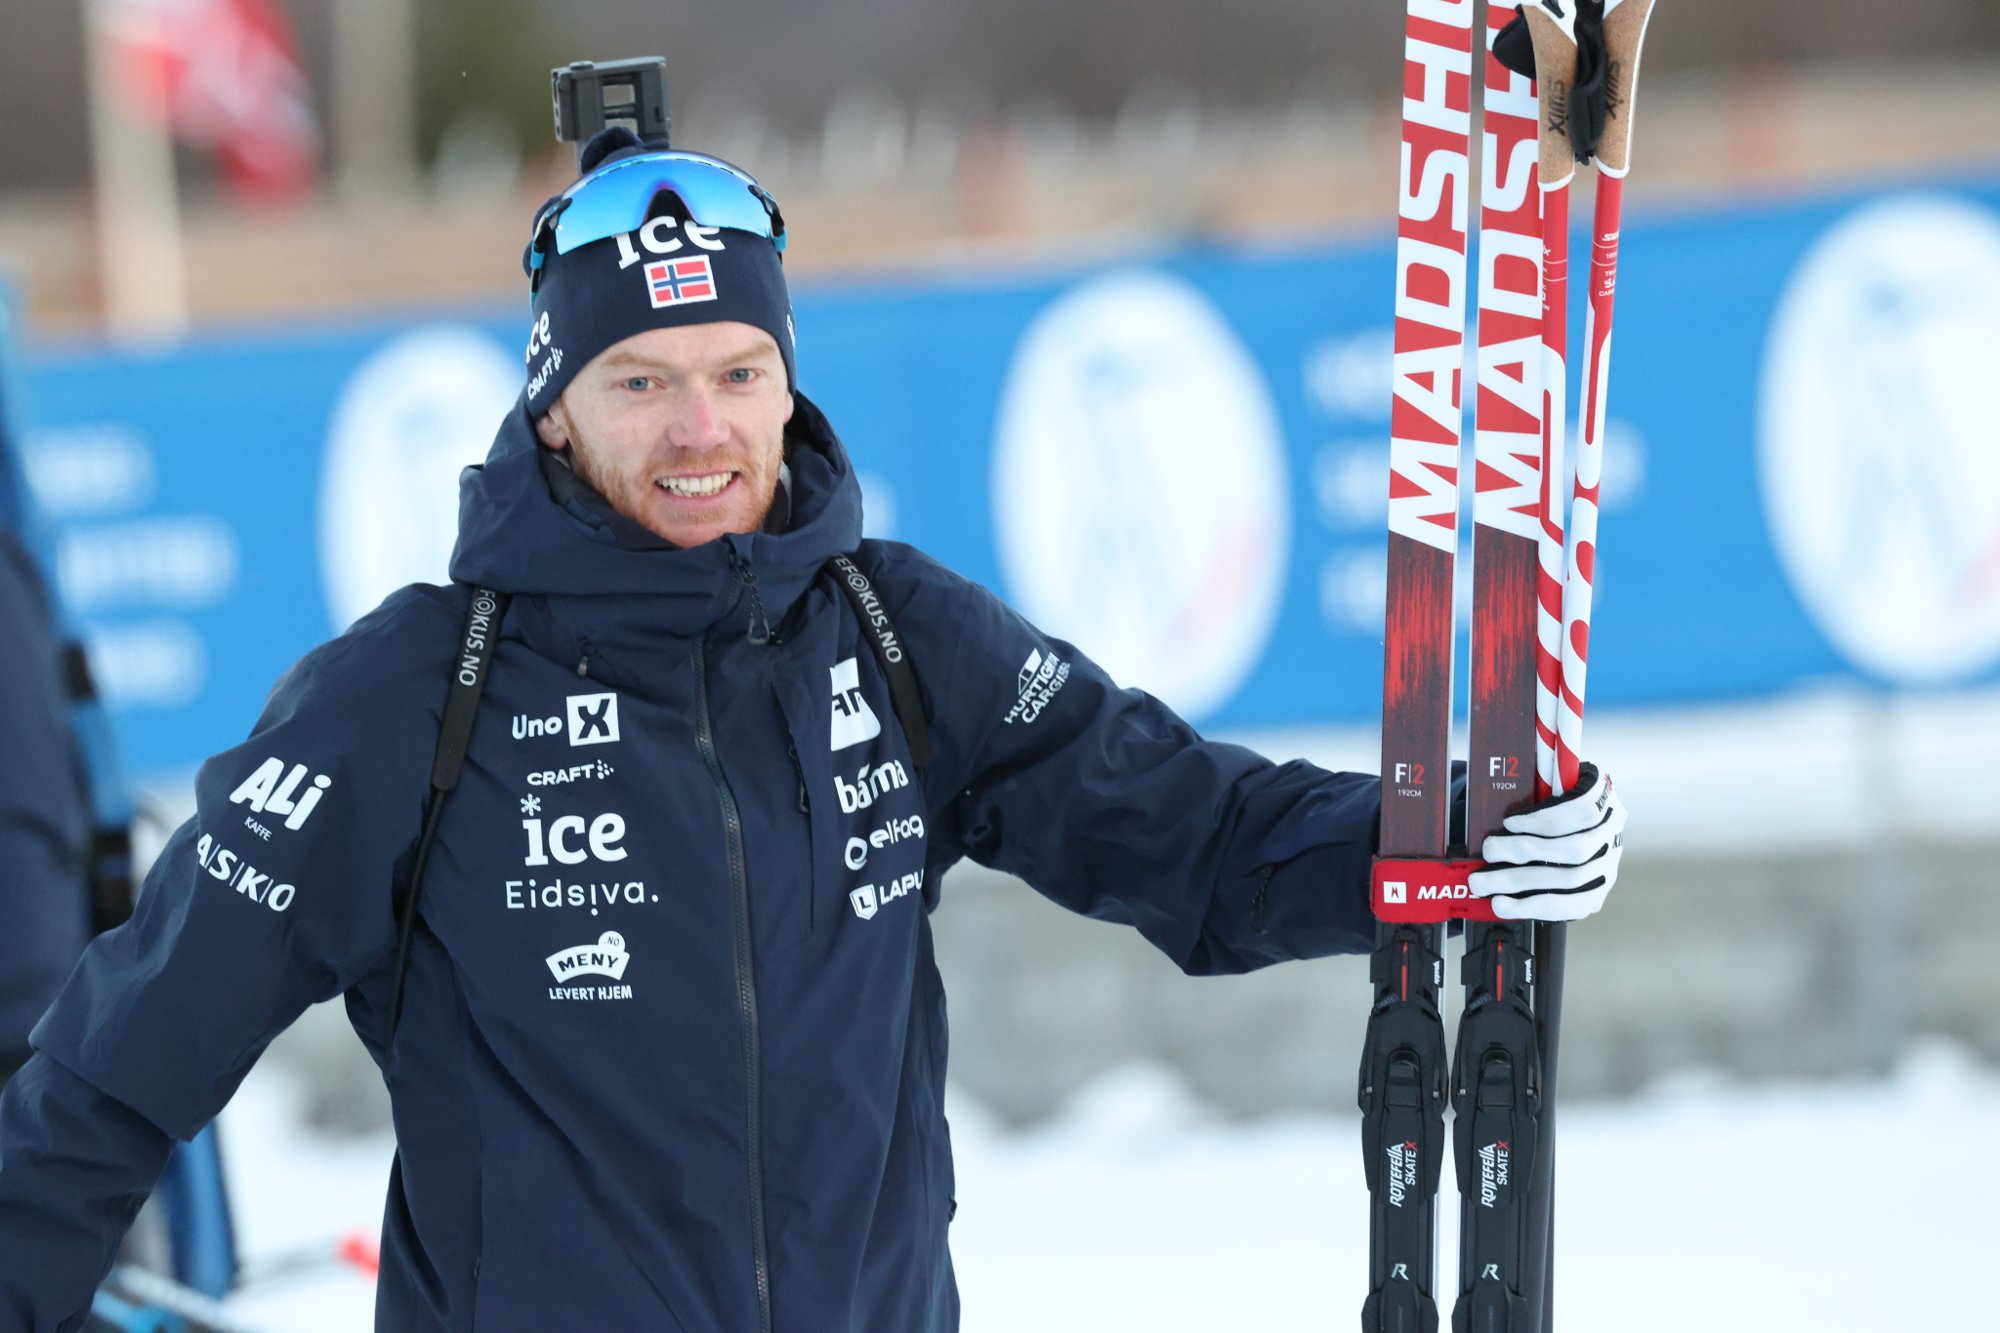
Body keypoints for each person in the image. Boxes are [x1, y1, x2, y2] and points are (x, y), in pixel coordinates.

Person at [0, 128, 1628, 1331]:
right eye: (639, 381)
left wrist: (1448, 840)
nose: (698, 429)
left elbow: (1188, 834)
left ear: (789, 386)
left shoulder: (895, 635)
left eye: (737, 370)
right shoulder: (417, 694)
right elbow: (116, 1060)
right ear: (553, 407)